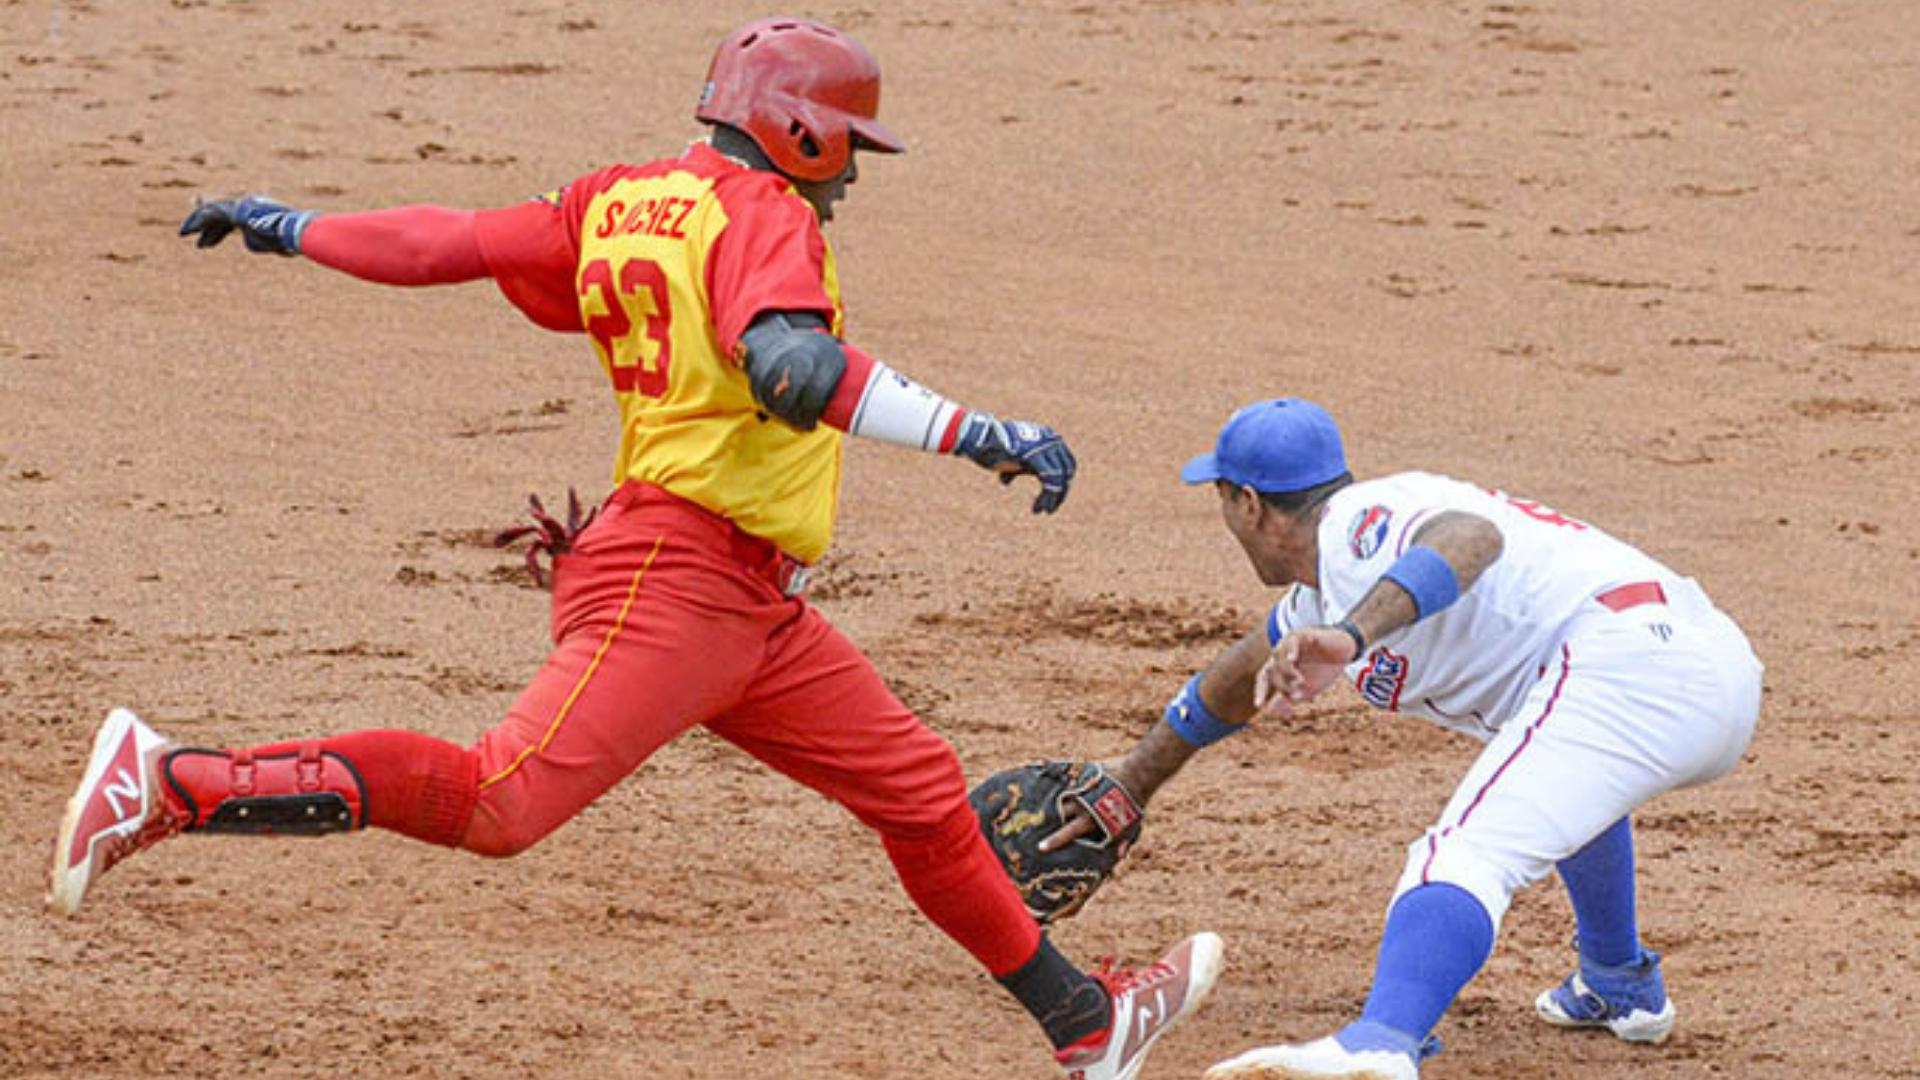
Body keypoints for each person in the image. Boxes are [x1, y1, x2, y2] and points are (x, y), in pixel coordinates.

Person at [46, 18, 1222, 1079]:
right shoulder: (761, 216)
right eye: (848, 146)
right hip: (677, 585)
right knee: (498, 799)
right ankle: (175, 783)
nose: (853, 174)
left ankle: (1083, 1023)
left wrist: (301, 227)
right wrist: (984, 436)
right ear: (802, 131)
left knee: (918, 793)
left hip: (745, 605)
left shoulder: (619, 198)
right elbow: (794, 370)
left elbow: (443, 240)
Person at [1044, 398, 1760, 1079]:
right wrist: (1135, 779)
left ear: (1248, 503)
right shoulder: (1332, 581)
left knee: (1466, 850)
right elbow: (1235, 678)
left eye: (1222, 497)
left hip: (1632, 658)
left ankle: (1382, 1041)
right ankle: (1618, 981)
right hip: (1693, 667)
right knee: (1563, 788)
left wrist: (1355, 635)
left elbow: (1470, 538)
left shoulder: (1364, 522)